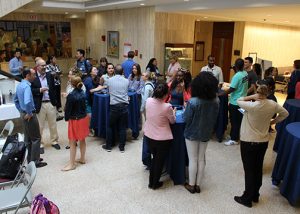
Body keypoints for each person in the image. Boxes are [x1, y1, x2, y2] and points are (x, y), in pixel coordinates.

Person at [234, 84, 288, 208]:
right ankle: (255, 195)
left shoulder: (252, 106)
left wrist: (253, 95)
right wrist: (273, 122)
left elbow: (238, 99)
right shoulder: (272, 104)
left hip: (249, 141)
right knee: (257, 169)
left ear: (257, 93)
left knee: (249, 170)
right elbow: (285, 113)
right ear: (268, 93)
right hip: (263, 142)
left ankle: (247, 198)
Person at [183, 72, 219, 194]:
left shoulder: (193, 102)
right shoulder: (216, 101)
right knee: (201, 158)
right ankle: (198, 185)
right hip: (206, 132)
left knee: (192, 159)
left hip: (192, 133)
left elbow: (186, 118)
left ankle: (191, 185)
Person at [144, 83, 176, 189]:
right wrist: (174, 113)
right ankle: (154, 183)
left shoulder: (148, 100)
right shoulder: (167, 107)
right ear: (166, 95)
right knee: (159, 161)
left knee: (155, 159)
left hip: (149, 135)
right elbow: (172, 121)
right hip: (162, 139)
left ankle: (150, 182)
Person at [14, 67, 47, 168]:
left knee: (28, 138)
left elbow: (15, 100)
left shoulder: (20, 85)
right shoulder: (27, 87)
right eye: (33, 74)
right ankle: (35, 161)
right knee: (36, 138)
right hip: (29, 115)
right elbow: (27, 101)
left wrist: (22, 111)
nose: (35, 76)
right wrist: (29, 113)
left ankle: (30, 158)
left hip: (23, 114)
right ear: (28, 76)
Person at [31, 59, 61, 153]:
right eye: (42, 66)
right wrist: (39, 90)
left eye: (45, 65)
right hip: (40, 104)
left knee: (53, 124)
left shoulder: (49, 75)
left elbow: (54, 89)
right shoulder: (33, 76)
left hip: (50, 102)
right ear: (37, 66)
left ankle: (54, 141)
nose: (44, 67)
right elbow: (31, 90)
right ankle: (40, 144)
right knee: (40, 126)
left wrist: (55, 102)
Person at [63, 76, 89, 171]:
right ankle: (82, 158)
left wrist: (66, 118)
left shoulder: (71, 95)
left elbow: (68, 110)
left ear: (71, 84)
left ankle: (72, 164)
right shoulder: (82, 92)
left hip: (75, 120)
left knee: (72, 142)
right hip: (83, 118)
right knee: (82, 139)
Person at [102, 64, 129, 152]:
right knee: (122, 127)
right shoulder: (126, 80)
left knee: (109, 126)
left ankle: (109, 146)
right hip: (124, 106)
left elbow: (108, 91)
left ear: (114, 71)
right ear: (122, 72)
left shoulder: (110, 80)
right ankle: (122, 147)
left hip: (114, 106)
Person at [222, 58, 248, 146]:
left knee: (234, 121)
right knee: (239, 120)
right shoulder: (245, 73)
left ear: (236, 66)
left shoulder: (237, 76)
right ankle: (234, 135)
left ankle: (234, 139)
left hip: (235, 103)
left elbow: (231, 89)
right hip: (243, 101)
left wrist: (221, 94)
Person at [83, 67, 106, 136]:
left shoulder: (96, 78)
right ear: (90, 72)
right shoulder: (88, 80)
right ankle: (88, 130)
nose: (97, 71)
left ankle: (92, 128)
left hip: (91, 99)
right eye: (95, 70)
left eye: (97, 69)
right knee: (89, 115)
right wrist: (100, 87)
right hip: (86, 100)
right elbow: (91, 90)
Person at [140, 71, 155, 168]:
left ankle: (146, 135)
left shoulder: (147, 87)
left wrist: (141, 109)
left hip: (147, 107)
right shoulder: (151, 85)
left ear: (146, 77)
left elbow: (145, 99)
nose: (142, 76)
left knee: (145, 121)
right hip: (151, 107)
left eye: (143, 75)